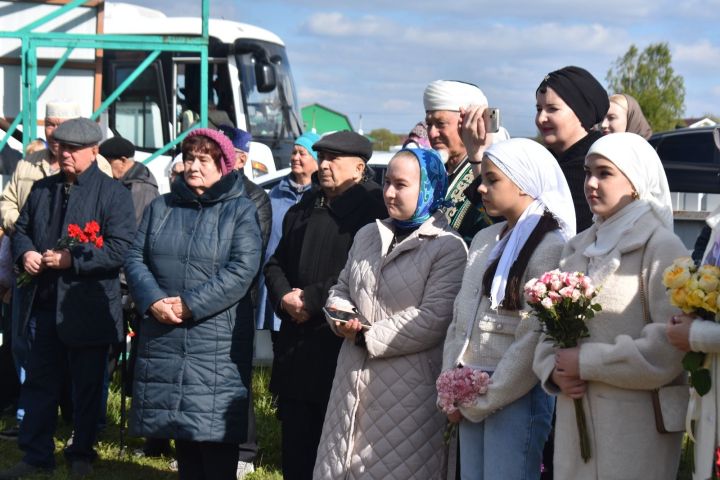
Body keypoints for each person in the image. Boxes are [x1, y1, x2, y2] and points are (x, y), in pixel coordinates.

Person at [533, 132, 687, 479]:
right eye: (588, 172)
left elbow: (670, 345)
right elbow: (546, 326)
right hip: (576, 428)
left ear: (633, 182)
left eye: (604, 173)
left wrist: (587, 362)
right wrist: (553, 371)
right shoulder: (577, 247)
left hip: (637, 431)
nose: (591, 183)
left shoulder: (661, 246)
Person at [313, 148, 467, 479]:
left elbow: (433, 318)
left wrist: (367, 334)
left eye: (401, 184)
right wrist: (341, 316)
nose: (389, 193)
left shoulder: (447, 247)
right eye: (386, 182)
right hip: (352, 379)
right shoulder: (369, 234)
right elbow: (341, 288)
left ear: (428, 188)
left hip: (408, 389)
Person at [0, 117, 135, 479]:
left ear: (94, 151)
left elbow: (122, 248)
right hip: (43, 306)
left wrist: (72, 259)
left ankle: (81, 452)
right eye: (61, 147)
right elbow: (23, 229)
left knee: (86, 387)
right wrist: (24, 253)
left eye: (73, 149)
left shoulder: (113, 194)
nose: (64, 154)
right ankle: (35, 453)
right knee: (40, 382)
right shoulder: (44, 189)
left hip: (88, 307)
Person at [125, 127, 262, 479]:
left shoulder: (240, 211)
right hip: (165, 333)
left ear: (223, 166)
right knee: (181, 428)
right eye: (189, 159)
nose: (193, 167)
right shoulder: (161, 207)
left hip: (215, 338)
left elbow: (242, 269)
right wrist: (153, 301)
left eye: (203, 160)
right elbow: (135, 258)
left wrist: (190, 304)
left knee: (214, 437)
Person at [441, 138, 575, 480]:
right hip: (468, 391)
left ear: (524, 183)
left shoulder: (550, 246)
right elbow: (460, 316)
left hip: (515, 395)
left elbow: (534, 335)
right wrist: (450, 385)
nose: (481, 188)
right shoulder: (486, 239)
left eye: (492, 179)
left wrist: (489, 395)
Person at [264, 130, 387, 480]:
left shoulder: (373, 209)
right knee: (296, 445)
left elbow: (359, 273)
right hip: (295, 340)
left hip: (336, 341)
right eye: (323, 157)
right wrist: (285, 296)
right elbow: (275, 261)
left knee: (335, 447)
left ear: (360, 167)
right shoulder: (308, 203)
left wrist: (312, 300)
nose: (325, 165)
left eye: (334, 158)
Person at [218, 125, 272, 479]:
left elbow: (249, 255)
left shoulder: (255, 197)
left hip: (238, 300)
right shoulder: (204, 190)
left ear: (239, 157)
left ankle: (245, 449)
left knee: (238, 375)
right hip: (201, 299)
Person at [423, 80, 507, 244]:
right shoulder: (430, 172)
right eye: (429, 124)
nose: (432, 134)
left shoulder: (495, 173)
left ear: (471, 122)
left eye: (440, 124)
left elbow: (501, 225)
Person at [256, 132, 320, 334]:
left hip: (300, 285)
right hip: (272, 277)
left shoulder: (320, 197)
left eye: (303, 153)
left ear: (316, 160)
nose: (295, 158)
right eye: (294, 152)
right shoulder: (276, 192)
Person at [535, 66, 609, 233]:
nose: (541, 118)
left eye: (552, 109)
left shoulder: (598, 162)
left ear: (581, 112)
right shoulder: (545, 160)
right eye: (538, 109)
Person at [99, 136, 159, 226]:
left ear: (123, 160)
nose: (104, 167)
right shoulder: (125, 182)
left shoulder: (141, 189)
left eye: (108, 163)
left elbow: (131, 226)